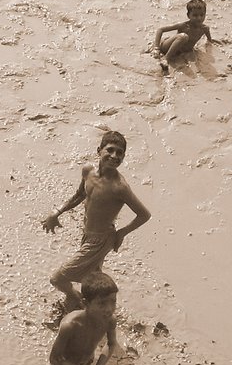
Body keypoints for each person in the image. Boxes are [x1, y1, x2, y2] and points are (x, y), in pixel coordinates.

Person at [41, 131, 151, 310]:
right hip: (87, 234)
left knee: (58, 278)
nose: (115, 156)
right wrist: (57, 212)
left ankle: (75, 297)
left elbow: (144, 215)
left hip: (102, 239)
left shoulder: (120, 187)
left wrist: (121, 233)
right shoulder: (88, 171)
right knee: (91, 278)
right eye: (110, 150)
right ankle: (102, 309)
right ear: (99, 150)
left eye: (120, 153)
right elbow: (80, 195)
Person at [151, 0, 216, 74]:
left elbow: (210, 42)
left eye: (202, 15)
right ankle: (166, 59)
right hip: (167, 47)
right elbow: (160, 30)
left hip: (180, 53)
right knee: (183, 36)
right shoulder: (184, 26)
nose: (199, 18)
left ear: (205, 14)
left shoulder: (205, 29)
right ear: (188, 15)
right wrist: (156, 48)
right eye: (195, 15)